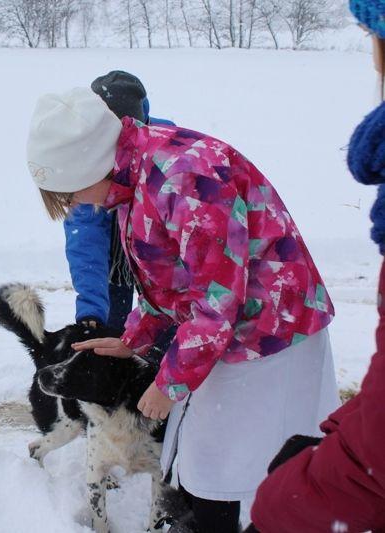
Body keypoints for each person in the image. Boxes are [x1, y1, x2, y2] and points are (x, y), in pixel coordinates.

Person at [25, 86, 339, 532]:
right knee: (199, 463)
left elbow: (217, 298)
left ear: (89, 162)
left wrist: (168, 382)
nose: (75, 205)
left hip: (272, 334)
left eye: (70, 192)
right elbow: (172, 284)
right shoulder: (133, 180)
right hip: (227, 335)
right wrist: (132, 338)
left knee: (249, 468)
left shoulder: (183, 177)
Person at [246, 1, 385, 530]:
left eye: (371, 37)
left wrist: (282, 500)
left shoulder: (184, 178)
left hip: (281, 327)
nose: (374, 63)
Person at [66, 71, 174, 335]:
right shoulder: (88, 161)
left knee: (168, 326)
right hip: (118, 254)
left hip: (161, 248)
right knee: (113, 330)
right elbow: (86, 236)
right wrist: (91, 309)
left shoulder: (168, 147)